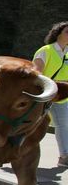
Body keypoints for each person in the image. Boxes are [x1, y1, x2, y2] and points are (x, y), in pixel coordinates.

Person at [33, 20, 68, 166]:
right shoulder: (45, 50)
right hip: (44, 93)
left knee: (63, 124)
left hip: (62, 95)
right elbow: (36, 73)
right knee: (32, 124)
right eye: (67, 32)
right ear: (57, 34)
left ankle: (64, 157)